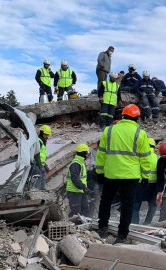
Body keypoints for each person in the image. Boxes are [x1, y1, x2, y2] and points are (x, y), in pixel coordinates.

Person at [95, 104, 153, 243]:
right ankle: (122, 236)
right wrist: (146, 176)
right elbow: (145, 157)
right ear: (137, 118)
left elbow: (101, 153)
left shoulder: (109, 131)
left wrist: (99, 171)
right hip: (130, 176)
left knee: (106, 202)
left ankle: (102, 228)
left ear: (123, 116)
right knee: (127, 205)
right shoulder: (140, 133)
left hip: (111, 173)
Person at [132, 138, 159, 225]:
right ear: (154, 147)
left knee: (136, 205)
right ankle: (148, 222)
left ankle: (135, 224)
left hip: (141, 184)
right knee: (153, 205)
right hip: (154, 185)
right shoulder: (157, 158)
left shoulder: (140, 156)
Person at [67, 144, 92, 217]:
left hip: (80, 191)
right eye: (87, 153)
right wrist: (84, 187)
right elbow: (75, 179)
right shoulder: (76, 163)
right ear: (83, 153)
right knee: (76, 213)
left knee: (85, 211)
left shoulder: (80, 162)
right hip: (74, 192)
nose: (87, 155)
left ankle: (85, 226)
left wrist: (84, 188)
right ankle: (73, 226)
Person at [32, 125, 51, 189]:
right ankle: (35, 193)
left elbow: (41, 156)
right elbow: (36, 155)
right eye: (46, 134)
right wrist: (40, 166)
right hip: (35, 164)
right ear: (42, 133)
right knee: (39, 176)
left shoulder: (43, 141)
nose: (47, 136)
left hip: (39, 164)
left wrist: (45, 166)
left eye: (48, 135)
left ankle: (42, 190)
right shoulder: (39, 142)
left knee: (43, 175)